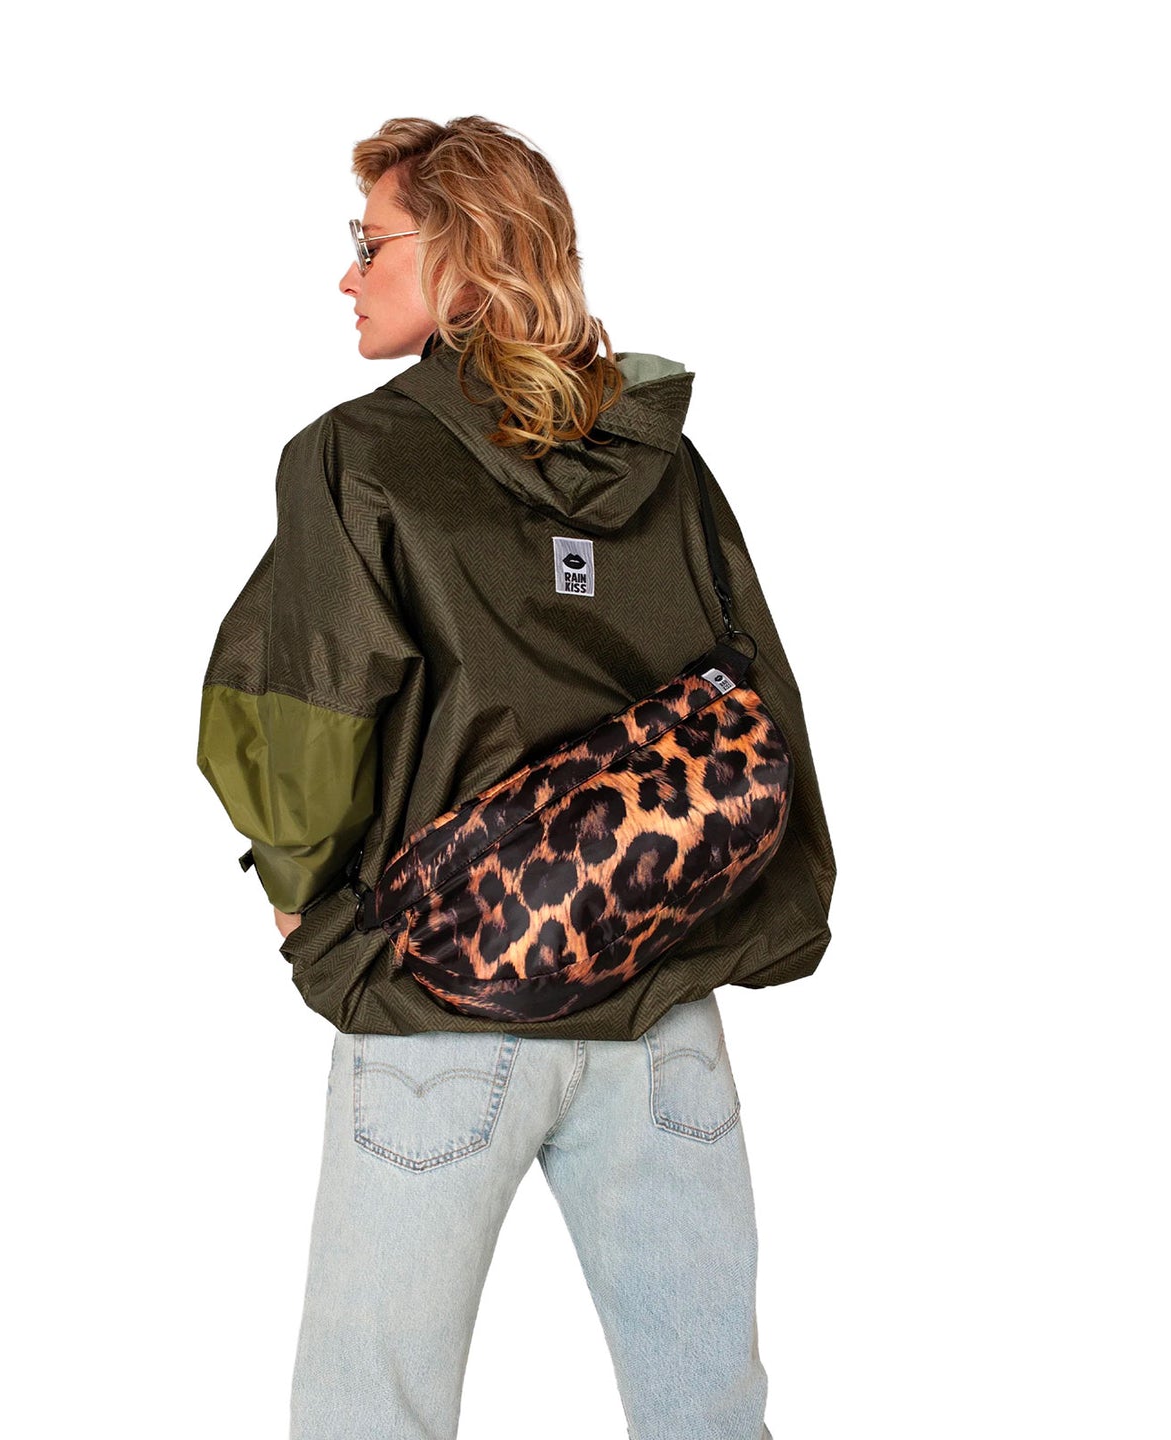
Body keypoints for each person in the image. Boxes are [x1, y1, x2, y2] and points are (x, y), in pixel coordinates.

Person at [196, 115, 836, 1440]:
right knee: (709, 1418)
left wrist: (304, 899)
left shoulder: (358, 457)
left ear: (461, 261)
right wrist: (769, 920)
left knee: (369, 1418)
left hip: (440, 1004)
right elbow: (760, 704)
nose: (347, 274)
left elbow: (299, 712)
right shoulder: (662, 460)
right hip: (661, 1006)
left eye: (370, 243)